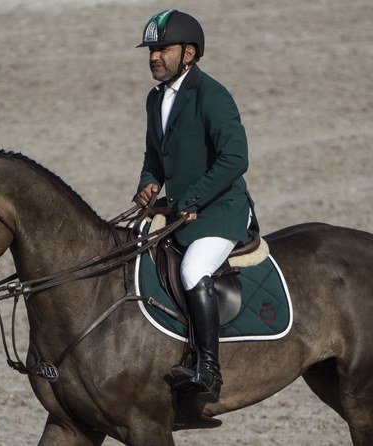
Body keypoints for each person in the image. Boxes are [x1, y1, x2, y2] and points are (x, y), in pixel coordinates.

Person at [134, 9, 259, 403]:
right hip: (179, 210)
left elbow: (235, 158)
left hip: (221, 211)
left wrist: (190, 200)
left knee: (193, 268)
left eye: (163, 49)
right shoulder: (156, 100)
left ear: (188, 54)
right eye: (152, 49)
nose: (155, 56)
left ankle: (209, 370)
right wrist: (148, 183)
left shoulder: (212, 95)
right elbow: (155, 155)